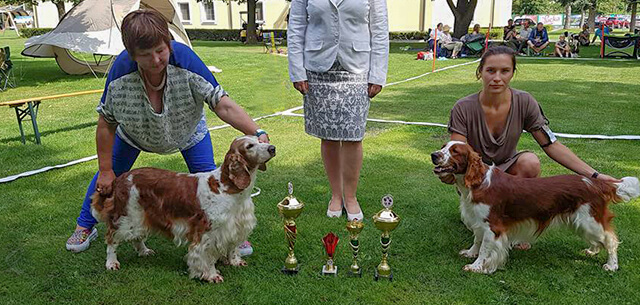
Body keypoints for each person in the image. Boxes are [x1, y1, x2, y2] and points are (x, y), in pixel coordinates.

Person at [65, 10, 270, 254]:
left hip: (188, 132)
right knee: (108, 179)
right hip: (134, 133)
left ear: (168, 43)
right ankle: (84, 225)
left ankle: (224, 229)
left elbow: (222, 104)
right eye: (145, 55)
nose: (155, 60)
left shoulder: (186, 59)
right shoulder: (120, 72)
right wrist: (105, 169)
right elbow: (106, 123)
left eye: (161, 50)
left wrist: (256, 131)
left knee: (215, 184)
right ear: (132, 55)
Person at [441, 46, 621, 249]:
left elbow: (551, 145)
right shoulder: (463, 107)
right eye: (491, 71)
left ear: (512, 73)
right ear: (479, 72)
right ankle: (487, 214)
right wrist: (446, 171)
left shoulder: (525, 102)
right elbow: (456, 153)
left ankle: (516, 219)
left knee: (530, 161)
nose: (497, 78)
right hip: (477, 177)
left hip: (508, 175)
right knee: (476, 209)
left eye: (505, 71)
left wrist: (595, 176)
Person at [288, 0, 389, 221]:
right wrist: (297, 71)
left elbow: (380, 30)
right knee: (329, 136)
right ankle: (336, 195)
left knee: (354, 136)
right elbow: (296, 25)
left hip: (357, 68)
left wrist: (378, 74)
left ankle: (351, 197)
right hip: (317, 68)